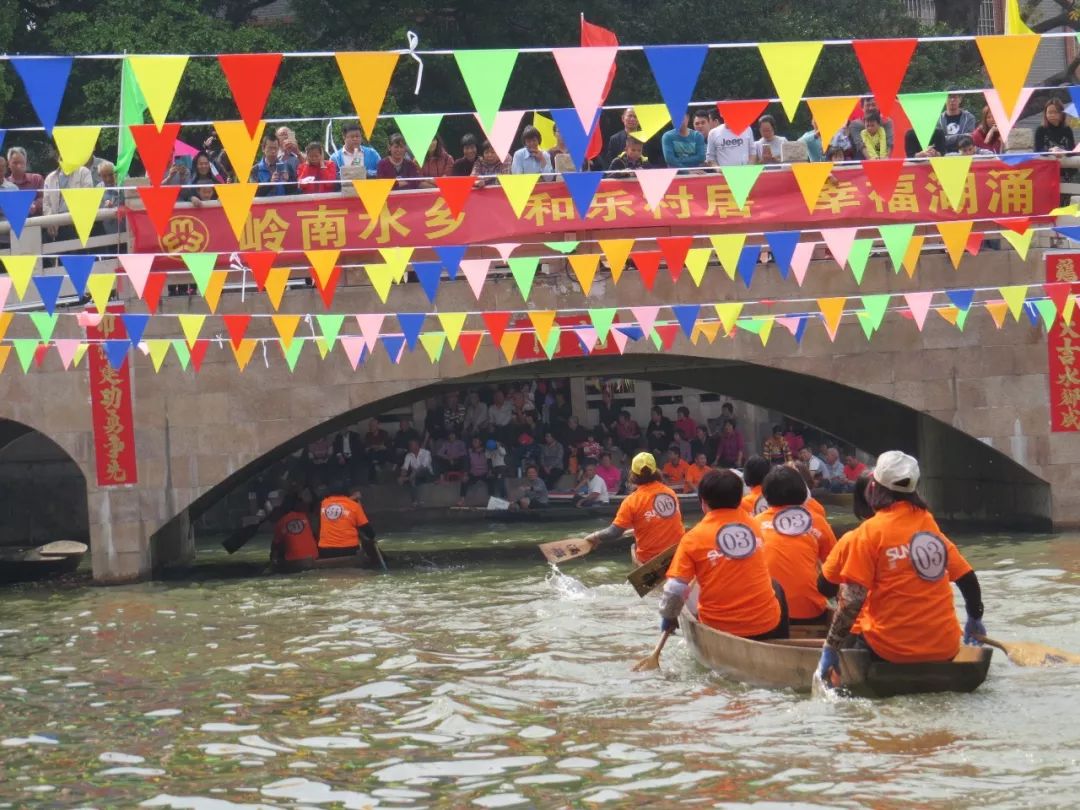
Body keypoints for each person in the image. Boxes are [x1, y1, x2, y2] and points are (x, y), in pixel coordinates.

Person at [818, 451, 985, 682]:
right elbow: (967, 577)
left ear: (874, 488)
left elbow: (852, 602)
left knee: (852, 636)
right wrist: (975, 618)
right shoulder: (928, 523)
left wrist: (830, 647)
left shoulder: (867, 533)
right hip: (945, 649)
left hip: (889, 653)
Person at [659, 469, 788, 640]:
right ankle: (784, 640)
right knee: (776, 585)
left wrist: (668, 617)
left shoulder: (693, 538)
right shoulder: (754, 525)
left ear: (703, 502)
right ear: (739, 499)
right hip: (768, 625)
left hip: (719, 628)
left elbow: (675, 588)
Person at [753, 466, 837, 623]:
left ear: (766, 495)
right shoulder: (817, 521)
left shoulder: (755, 523)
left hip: (766, 612)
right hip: (810, 610)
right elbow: (837, 566)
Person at [583, 451, 684, 564]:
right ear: (655, 471)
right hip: (677, 553)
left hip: (649, 560)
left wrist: (594, 536)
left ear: (633, 474)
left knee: (633, 547)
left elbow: (614, 532)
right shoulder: (670, 493)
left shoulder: (631, 501)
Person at [317, 488, 378, 563]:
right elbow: (368, 531)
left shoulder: (323, 504)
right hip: (349, 550)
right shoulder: (354, 506)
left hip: (326, 551)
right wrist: (372, 537)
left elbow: (339, 503)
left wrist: (352, 498)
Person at [271, 494, 319, 566]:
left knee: (278, 544)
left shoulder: (281, 522)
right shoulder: (306, 516)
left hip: (293, 561)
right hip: (313, 557)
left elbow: (275, 545)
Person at [7, 147, 44, 216]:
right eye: (15, 163)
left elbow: (46, 198)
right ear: (9, 164)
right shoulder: (4, 185)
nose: (19, 166)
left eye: (22, 162)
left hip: (36, 222)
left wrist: (35, 205)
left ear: (26, 163)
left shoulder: (37, 179)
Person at [399, 439, 434, 506]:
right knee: (412, 479)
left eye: (411, 446)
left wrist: (409, 476)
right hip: (415, 476)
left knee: (416, 472)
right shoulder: (408, 455)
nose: (409, 447)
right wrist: (402, 476)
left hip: (427, 475)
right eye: (409, 446)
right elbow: (405, 467)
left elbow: (423, 466)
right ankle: (414, 501)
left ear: (417, 446)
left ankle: (408, 478)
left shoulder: (426, 453)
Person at [460, 436, 492, 505]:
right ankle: (462, 499)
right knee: (464, 481)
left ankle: (491, 499)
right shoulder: (469, 451)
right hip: (474, 473)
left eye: (476, 441)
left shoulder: (486, 451)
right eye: (473, 442)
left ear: (480, 442)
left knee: (492, 479)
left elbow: (490, 462)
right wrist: (466, 474)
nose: (474, 443)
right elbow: (466, 463)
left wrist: (490, 471)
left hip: (484, 473)